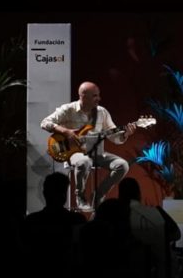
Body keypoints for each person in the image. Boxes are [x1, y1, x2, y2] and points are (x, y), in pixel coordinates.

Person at [41, 81, 136, 212]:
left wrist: (125, 134)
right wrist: (66, 131)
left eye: (99, 95)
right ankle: (80, 196)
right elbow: (45, 122)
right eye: (95, 96)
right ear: (83, 96)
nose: (99, 98)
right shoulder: (68, 109)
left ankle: (99, 194)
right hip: (75, 152)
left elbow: (114, 136)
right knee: (84, 161)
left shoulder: (101, 112)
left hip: (97, 152)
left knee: (123, 165)